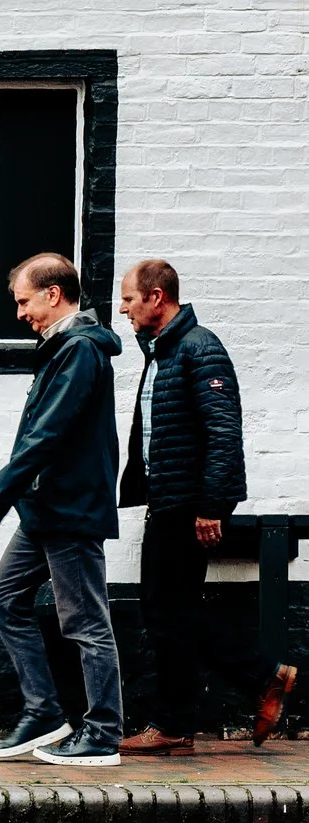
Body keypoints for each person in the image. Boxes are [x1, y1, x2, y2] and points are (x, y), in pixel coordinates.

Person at [115, 259, 294, 753]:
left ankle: (185, 718)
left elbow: (223, 433)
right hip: (169, 500)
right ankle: (250, 685)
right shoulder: (165, 352)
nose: (123, 308)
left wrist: (213, 505)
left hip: (188, 504)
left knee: (166, 611)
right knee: (171, 611)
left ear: (156, 297)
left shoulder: (199, 349)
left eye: (129, 298)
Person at [0, 254, 126, 767]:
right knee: (3, 600)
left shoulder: (80, 350)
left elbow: (49, 432)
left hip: (69, 509)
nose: (20, 313)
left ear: (53, 294)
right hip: (47, 507)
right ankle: (43, 714)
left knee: (86, 622)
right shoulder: (63, 348)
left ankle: (103, 732)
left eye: (23, 301)